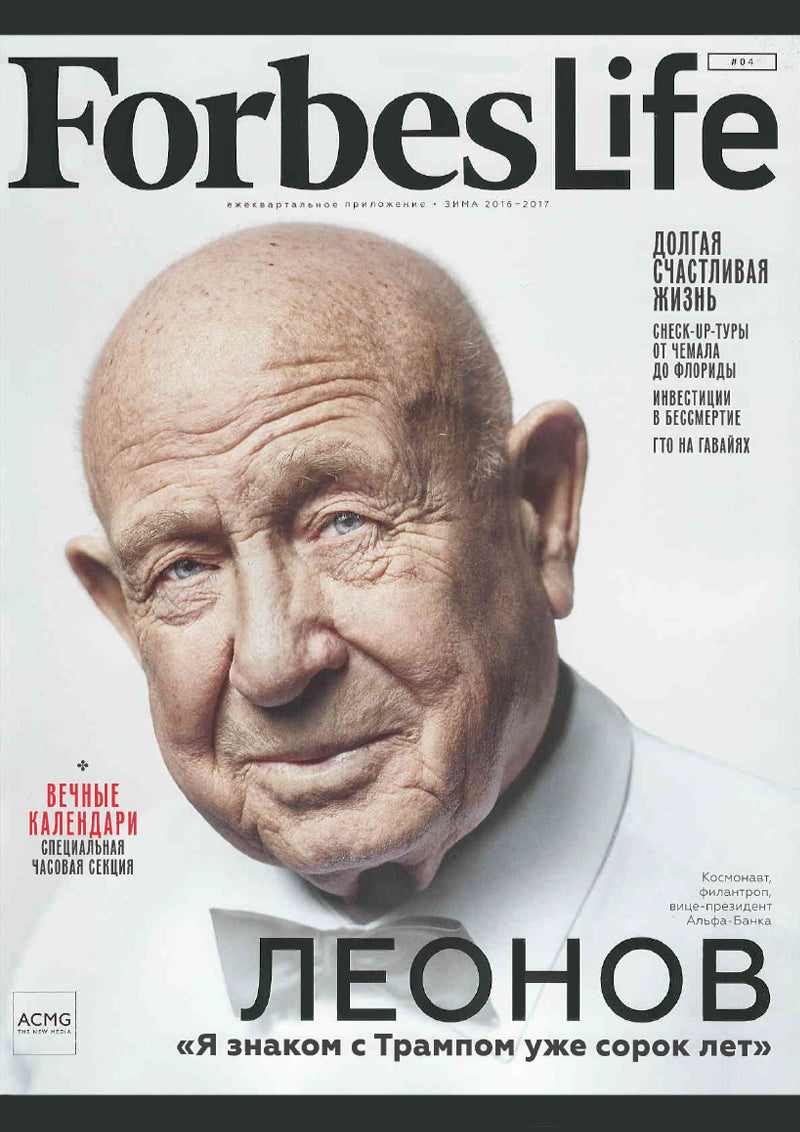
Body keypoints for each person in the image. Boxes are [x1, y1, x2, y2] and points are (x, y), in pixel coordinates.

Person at [9, 224, 797, 1094]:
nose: (273, 664)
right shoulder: (84, 948)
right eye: (185, 569)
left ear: (540, 511)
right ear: (125, 615)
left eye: (345, 522)